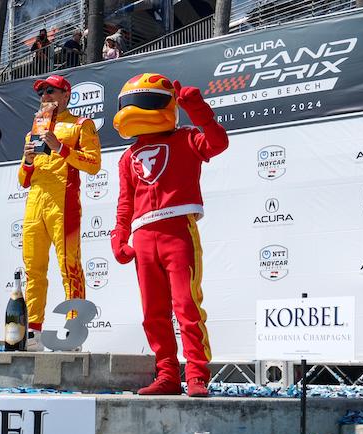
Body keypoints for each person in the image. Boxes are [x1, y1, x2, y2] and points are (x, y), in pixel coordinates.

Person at [111, 73, 229, 396]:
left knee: (187, 305)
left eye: (145, 102)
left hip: (178, 230)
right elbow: (125, 202)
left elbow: (218, 142)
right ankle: (166, 373)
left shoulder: (187, 138)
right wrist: (120, 235)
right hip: (143, 237)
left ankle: (196, 375)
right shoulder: (127, 157)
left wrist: (199, 110)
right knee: (153, 311)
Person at [19, 74, 102, 351]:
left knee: (69, 266)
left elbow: (93, 165)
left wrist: (60, 147)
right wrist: (29, 160)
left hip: (63, 202)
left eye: (51, 91)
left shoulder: (80, 124)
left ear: (66, 95)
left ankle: (74, 328)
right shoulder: (34, 130)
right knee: (33, 269)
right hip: (35, 203)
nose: (45, 96)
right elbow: (23, 179)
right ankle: (33, 331)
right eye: (42, 92)